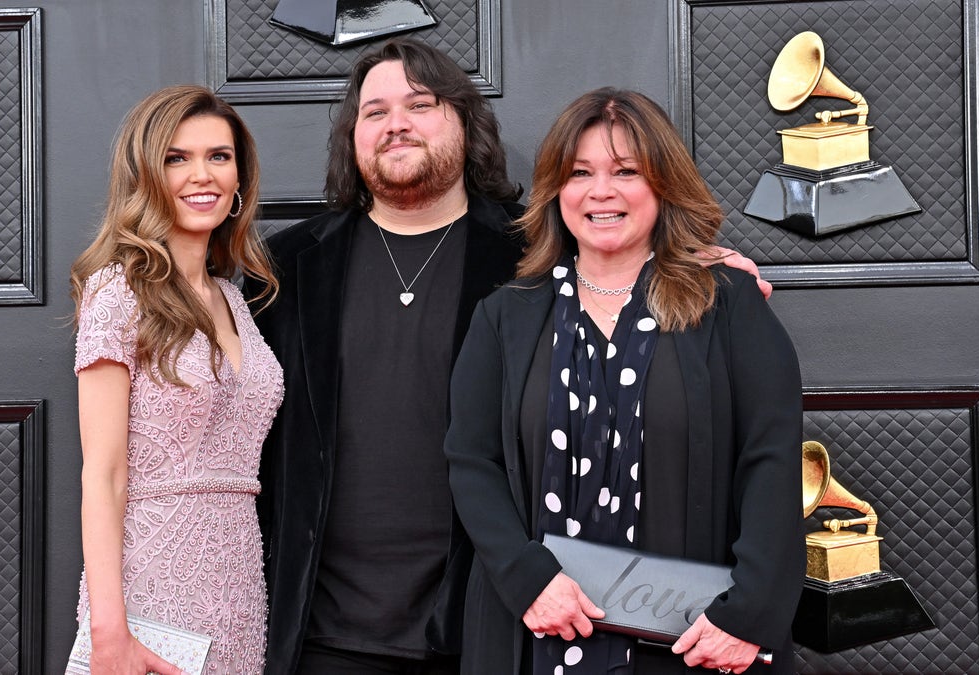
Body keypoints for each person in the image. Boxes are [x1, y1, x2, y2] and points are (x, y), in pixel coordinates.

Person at [244, 38, 772, 675]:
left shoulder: (534, 256)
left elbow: (629, 253)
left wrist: (707, 266)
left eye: (420, 104)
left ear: (464, 123)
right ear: (352, 134)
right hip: (322, 634)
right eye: (374, 111)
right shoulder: (283, 271)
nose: (396, 124)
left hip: (488, 621)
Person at [443, 88, 804, 675]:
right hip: (534, 634)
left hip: (699, 643)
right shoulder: (504, 316)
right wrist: (526, 579)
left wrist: (748, 615)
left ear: (663, 184)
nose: (601, 191)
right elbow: (471, 461)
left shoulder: (729, 303)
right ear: (556, 190)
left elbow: (770, 459)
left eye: (626, 171)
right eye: (579, 172)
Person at [70, 85, 283, 675]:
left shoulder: (236, 302)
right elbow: (104, 472)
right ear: (146, 174)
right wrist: (109, 632)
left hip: (238, 587)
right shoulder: (117, 291)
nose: (202, 174)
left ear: (240, 177)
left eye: (219, 156)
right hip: (149, 591)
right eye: (176, 158)